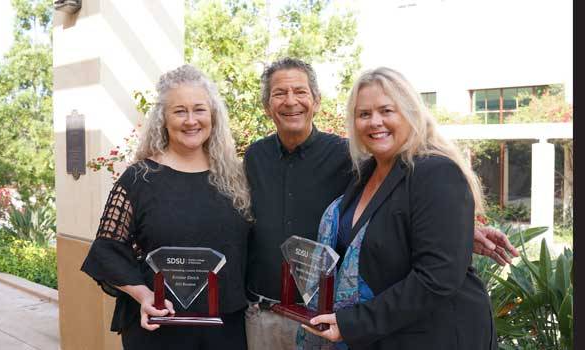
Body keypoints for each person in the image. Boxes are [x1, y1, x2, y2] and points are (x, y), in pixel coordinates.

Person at [243, 58, 516, 350]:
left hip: (432, 335)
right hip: (376, 332)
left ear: (410, 113)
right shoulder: (365, 174)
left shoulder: (434, 171)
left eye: (386, 111)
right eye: (364, 114)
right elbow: (377, 230)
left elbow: (436, 276)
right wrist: (455, 234)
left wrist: (457, 233)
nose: (375, 122)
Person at [81, 65, 252, 350]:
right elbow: (107, 250)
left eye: (199, 109)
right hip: (159, 328)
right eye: (179, 111)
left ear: (213, 116)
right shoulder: (139, 179)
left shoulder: (237, 177)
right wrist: (144, 295)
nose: (190, 120)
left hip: (225, 331)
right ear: (163, 119)